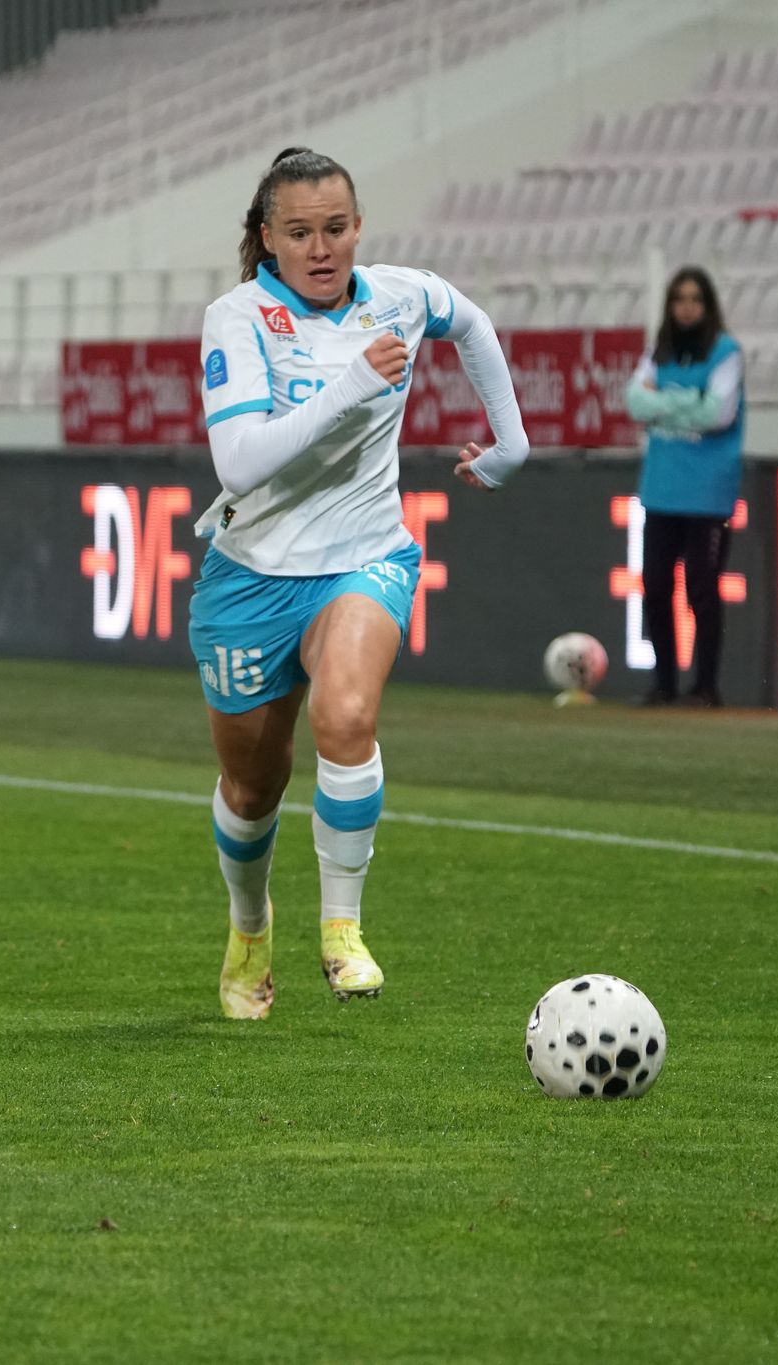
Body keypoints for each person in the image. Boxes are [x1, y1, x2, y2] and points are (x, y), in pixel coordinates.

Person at [193, 147, 528, 1020]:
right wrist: (349, 385)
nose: (321, 248)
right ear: (268, 237)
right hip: (253, 576)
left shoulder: (400, 297)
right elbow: (239, 461)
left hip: (363, 554)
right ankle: (249, 924)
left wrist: (512, 440)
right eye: (300, 232)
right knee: (252, 788)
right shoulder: (238, 318)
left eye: (336, 228)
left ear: (358, 227)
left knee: (345, 716)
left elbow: (472, 324)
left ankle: (341, 929)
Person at [624, 266, 744, 708]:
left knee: (701, 588)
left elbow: (719, 413)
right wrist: (689, 401)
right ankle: (664, 684)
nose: (687, 308)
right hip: (662, 487)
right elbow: (634, 402)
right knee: (655, 587)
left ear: (708, 306)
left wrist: (662, 403)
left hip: (708, 491)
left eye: (695, 299)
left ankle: (706, 686)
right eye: (679, 299)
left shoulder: (726, 352)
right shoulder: (659, 351)